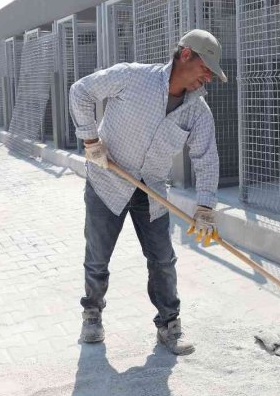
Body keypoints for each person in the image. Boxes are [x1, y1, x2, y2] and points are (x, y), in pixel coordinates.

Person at [68, 29, 226, 355]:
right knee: (97, 257)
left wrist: (206, 208)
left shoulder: (197, 112)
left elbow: (206, 158)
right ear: (185, 55)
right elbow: (80, 91)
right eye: (205, 68)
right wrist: (90, 140)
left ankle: (169, 325)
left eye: (211, 73)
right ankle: (92, 314)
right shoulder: (132, 77)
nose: (207, 78)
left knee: (163, 260)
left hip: (151, 190)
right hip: (107, 181)